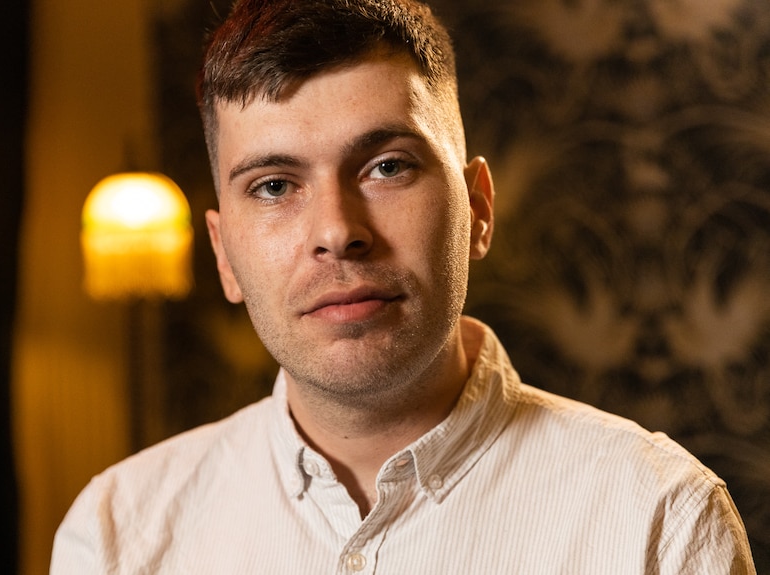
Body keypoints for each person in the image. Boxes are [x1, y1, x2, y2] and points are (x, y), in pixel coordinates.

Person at [51, 0, 756, 572]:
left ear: (478, 208)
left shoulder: (658, 521)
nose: (336, 230)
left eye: (387, 166)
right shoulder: (118, 535)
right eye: (273, 185)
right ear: (224, 255)